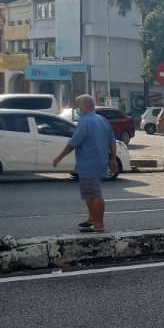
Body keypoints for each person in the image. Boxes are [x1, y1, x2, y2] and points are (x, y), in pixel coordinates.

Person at [52, 94, 117, 233]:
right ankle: (92, 219)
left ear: (85, 106)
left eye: (78, 105)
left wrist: (59, 157)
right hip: (99, 161)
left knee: (94, 193)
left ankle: (99, 224)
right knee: (89, 193)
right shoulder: (102, 120)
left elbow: (74, 142)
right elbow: (112, 141)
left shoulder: (85, 121)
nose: (77, 108)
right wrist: (112, 159)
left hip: (89, 162)